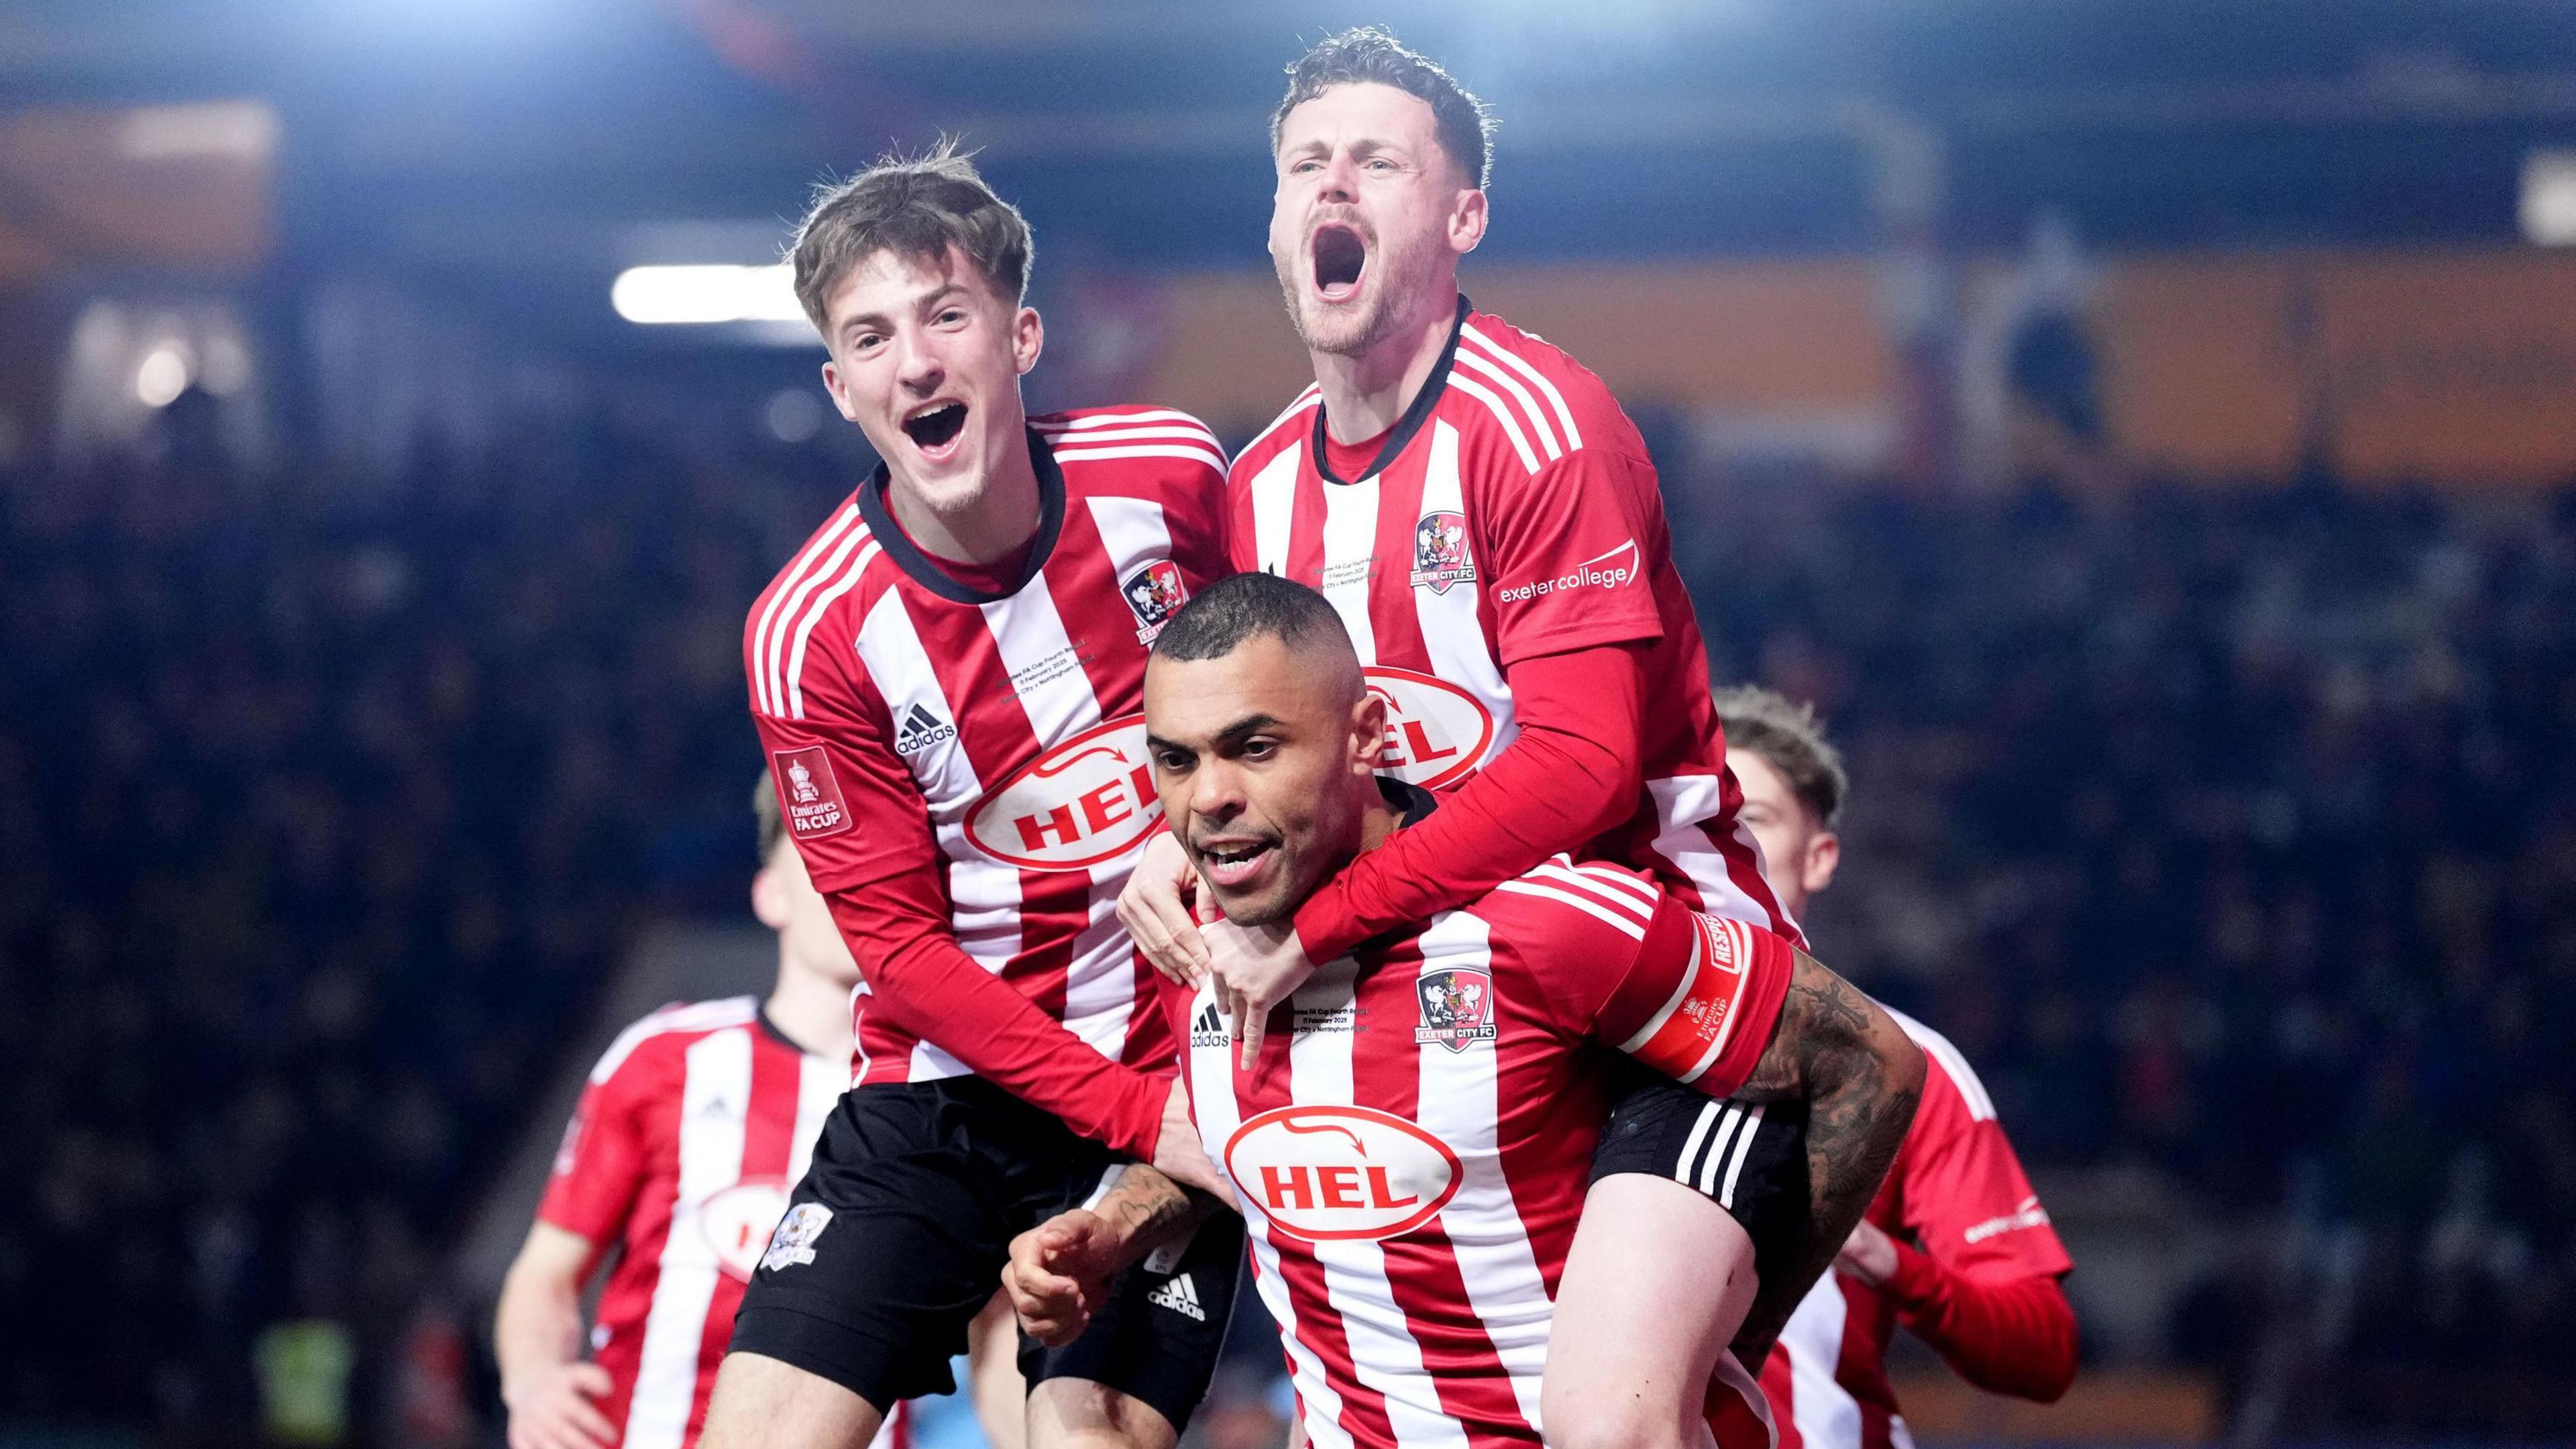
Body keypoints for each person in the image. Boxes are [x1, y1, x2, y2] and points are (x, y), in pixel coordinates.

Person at [1116, 25, 1825, 1428]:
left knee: (1609, 1421)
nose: (1334, 187)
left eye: (1376, 162)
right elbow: (1241, 750)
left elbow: (1579, 769)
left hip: (1660, 995)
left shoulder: (1539, 423)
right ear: (1272, 223)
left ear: (1461, 216)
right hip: (1427, 991)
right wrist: (1169, 848)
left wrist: (1315, 926)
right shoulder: (1255, 491)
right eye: (1305, 165)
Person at [1011, 574, 1927, 1449]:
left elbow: (1868, 1062)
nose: (1209, 797)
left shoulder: (1547, 923)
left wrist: (1730, 1342)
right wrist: (1113, 1224)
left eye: (1256, 748)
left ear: (1367, 737)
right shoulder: (1187, 941)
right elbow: (1277, 1150)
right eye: (1178, 760)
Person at [698, 146, 1240, 1449]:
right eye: (871, 337)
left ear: (1023, 336)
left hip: (1188, 1059)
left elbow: (1285, 715)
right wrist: (1133, 1116)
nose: (915, 363)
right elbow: (894, 948)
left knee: (1080, 1435)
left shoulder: (1173, 477)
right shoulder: (813, 631)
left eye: (946, 316)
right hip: (953, 1093)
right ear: (841, 388)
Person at [494, 773, 964, 1449]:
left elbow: (998, 1324)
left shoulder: (949, 1098)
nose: (854, 883)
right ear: (769, 894)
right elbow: (546, 1272)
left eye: (879, 859)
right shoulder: (666, 1058)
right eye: (825, 856)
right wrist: (534, 1380)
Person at [1711, 687, 2080, 1447]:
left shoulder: (1906, 1063)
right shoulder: (1565, 1034)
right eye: (1699, 822)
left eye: (1752, 822)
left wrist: (1883, 1259)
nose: (1723, 846)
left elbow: (2044, 1352)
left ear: (1819, 858)